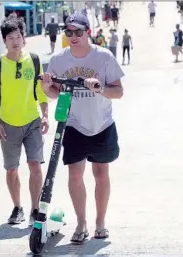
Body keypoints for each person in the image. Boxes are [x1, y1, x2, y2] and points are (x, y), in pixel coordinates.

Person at [40, 13, 124, 243]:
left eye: (78, 32)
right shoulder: (58, 60)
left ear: (88, 32)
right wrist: (47, 86)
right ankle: (81, 222)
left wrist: (99, 89)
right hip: (74, 123)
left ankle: (100, 222)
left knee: (100, 174)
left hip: (102, 123)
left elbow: (118, 91)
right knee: (75, 175)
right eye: (69, 32)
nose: (73, 36)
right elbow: (54, 93)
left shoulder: (104, 56)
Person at [0, 17, 49, 225]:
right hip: (7, 124)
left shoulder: (34, 60)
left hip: (32, 121)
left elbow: (40, 92)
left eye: (18, 36)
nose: (15, 41)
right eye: (10, 37)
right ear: (4, 40)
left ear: (24, 38)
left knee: (35, 166)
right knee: (11, 168)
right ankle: (17, 207)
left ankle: (36, 208)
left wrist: (45, 114)